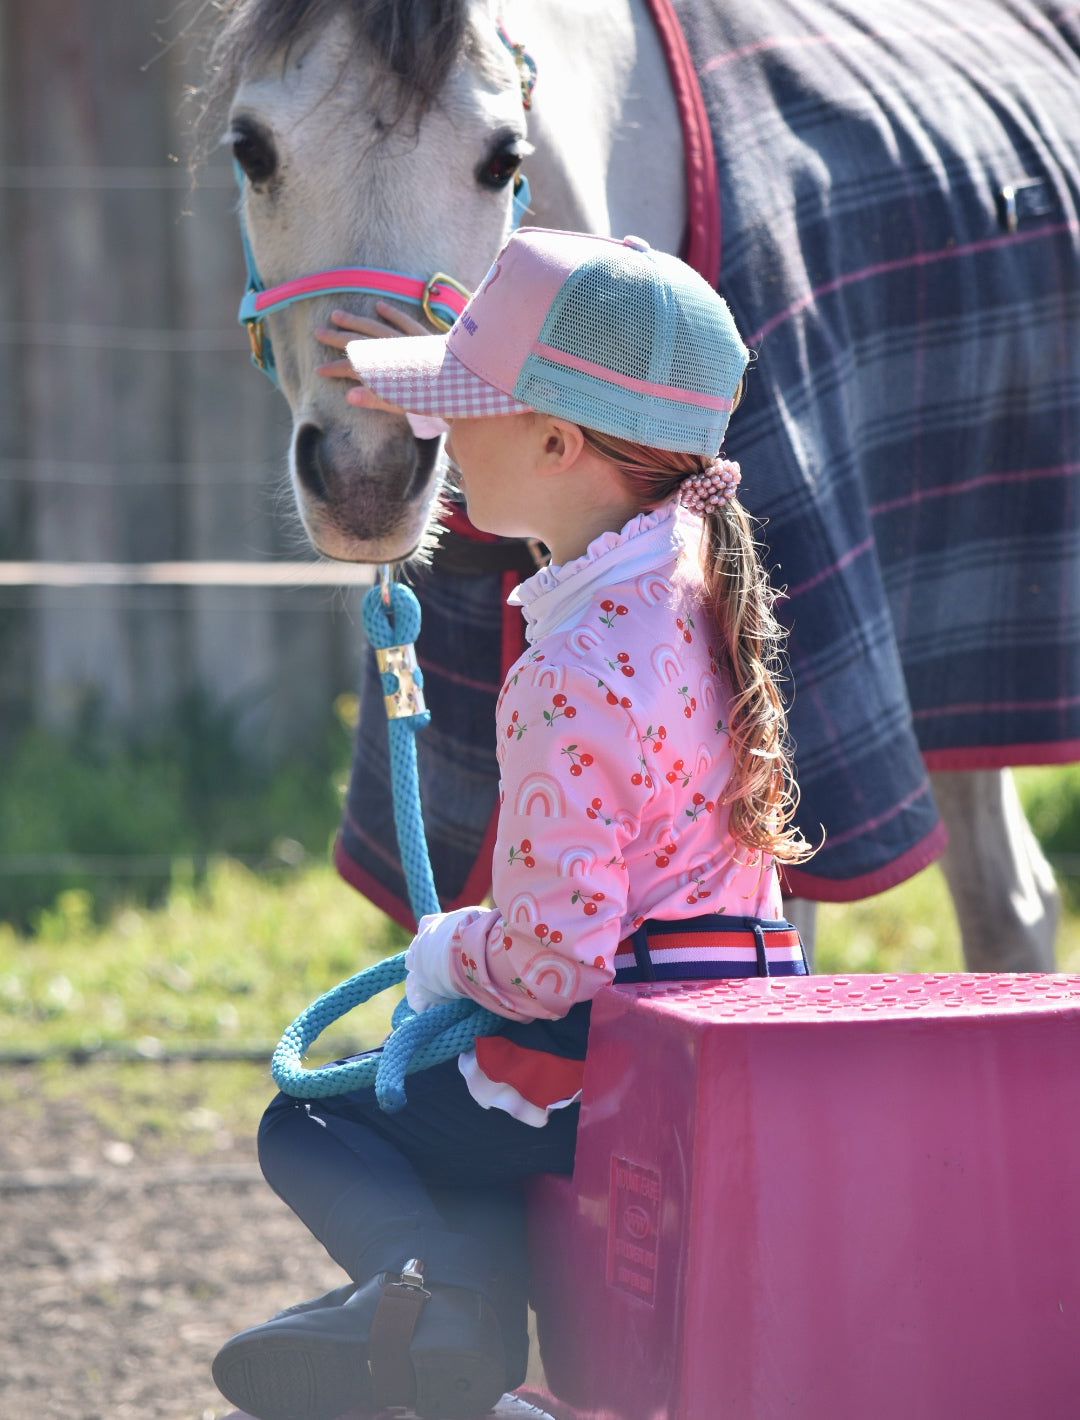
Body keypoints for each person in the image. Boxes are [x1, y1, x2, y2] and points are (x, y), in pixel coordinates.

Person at [212, 228, 812, 1420]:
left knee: (314, 1123)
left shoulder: (574, 664)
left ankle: (445, 1305)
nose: (435, 435)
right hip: (722, 1026)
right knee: (464, 1124)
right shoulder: (695, 591)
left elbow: (553, 961)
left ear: (556, 442)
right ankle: (464, 1330)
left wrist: (441, 954)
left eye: (463, 406)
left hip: (608, 1053)